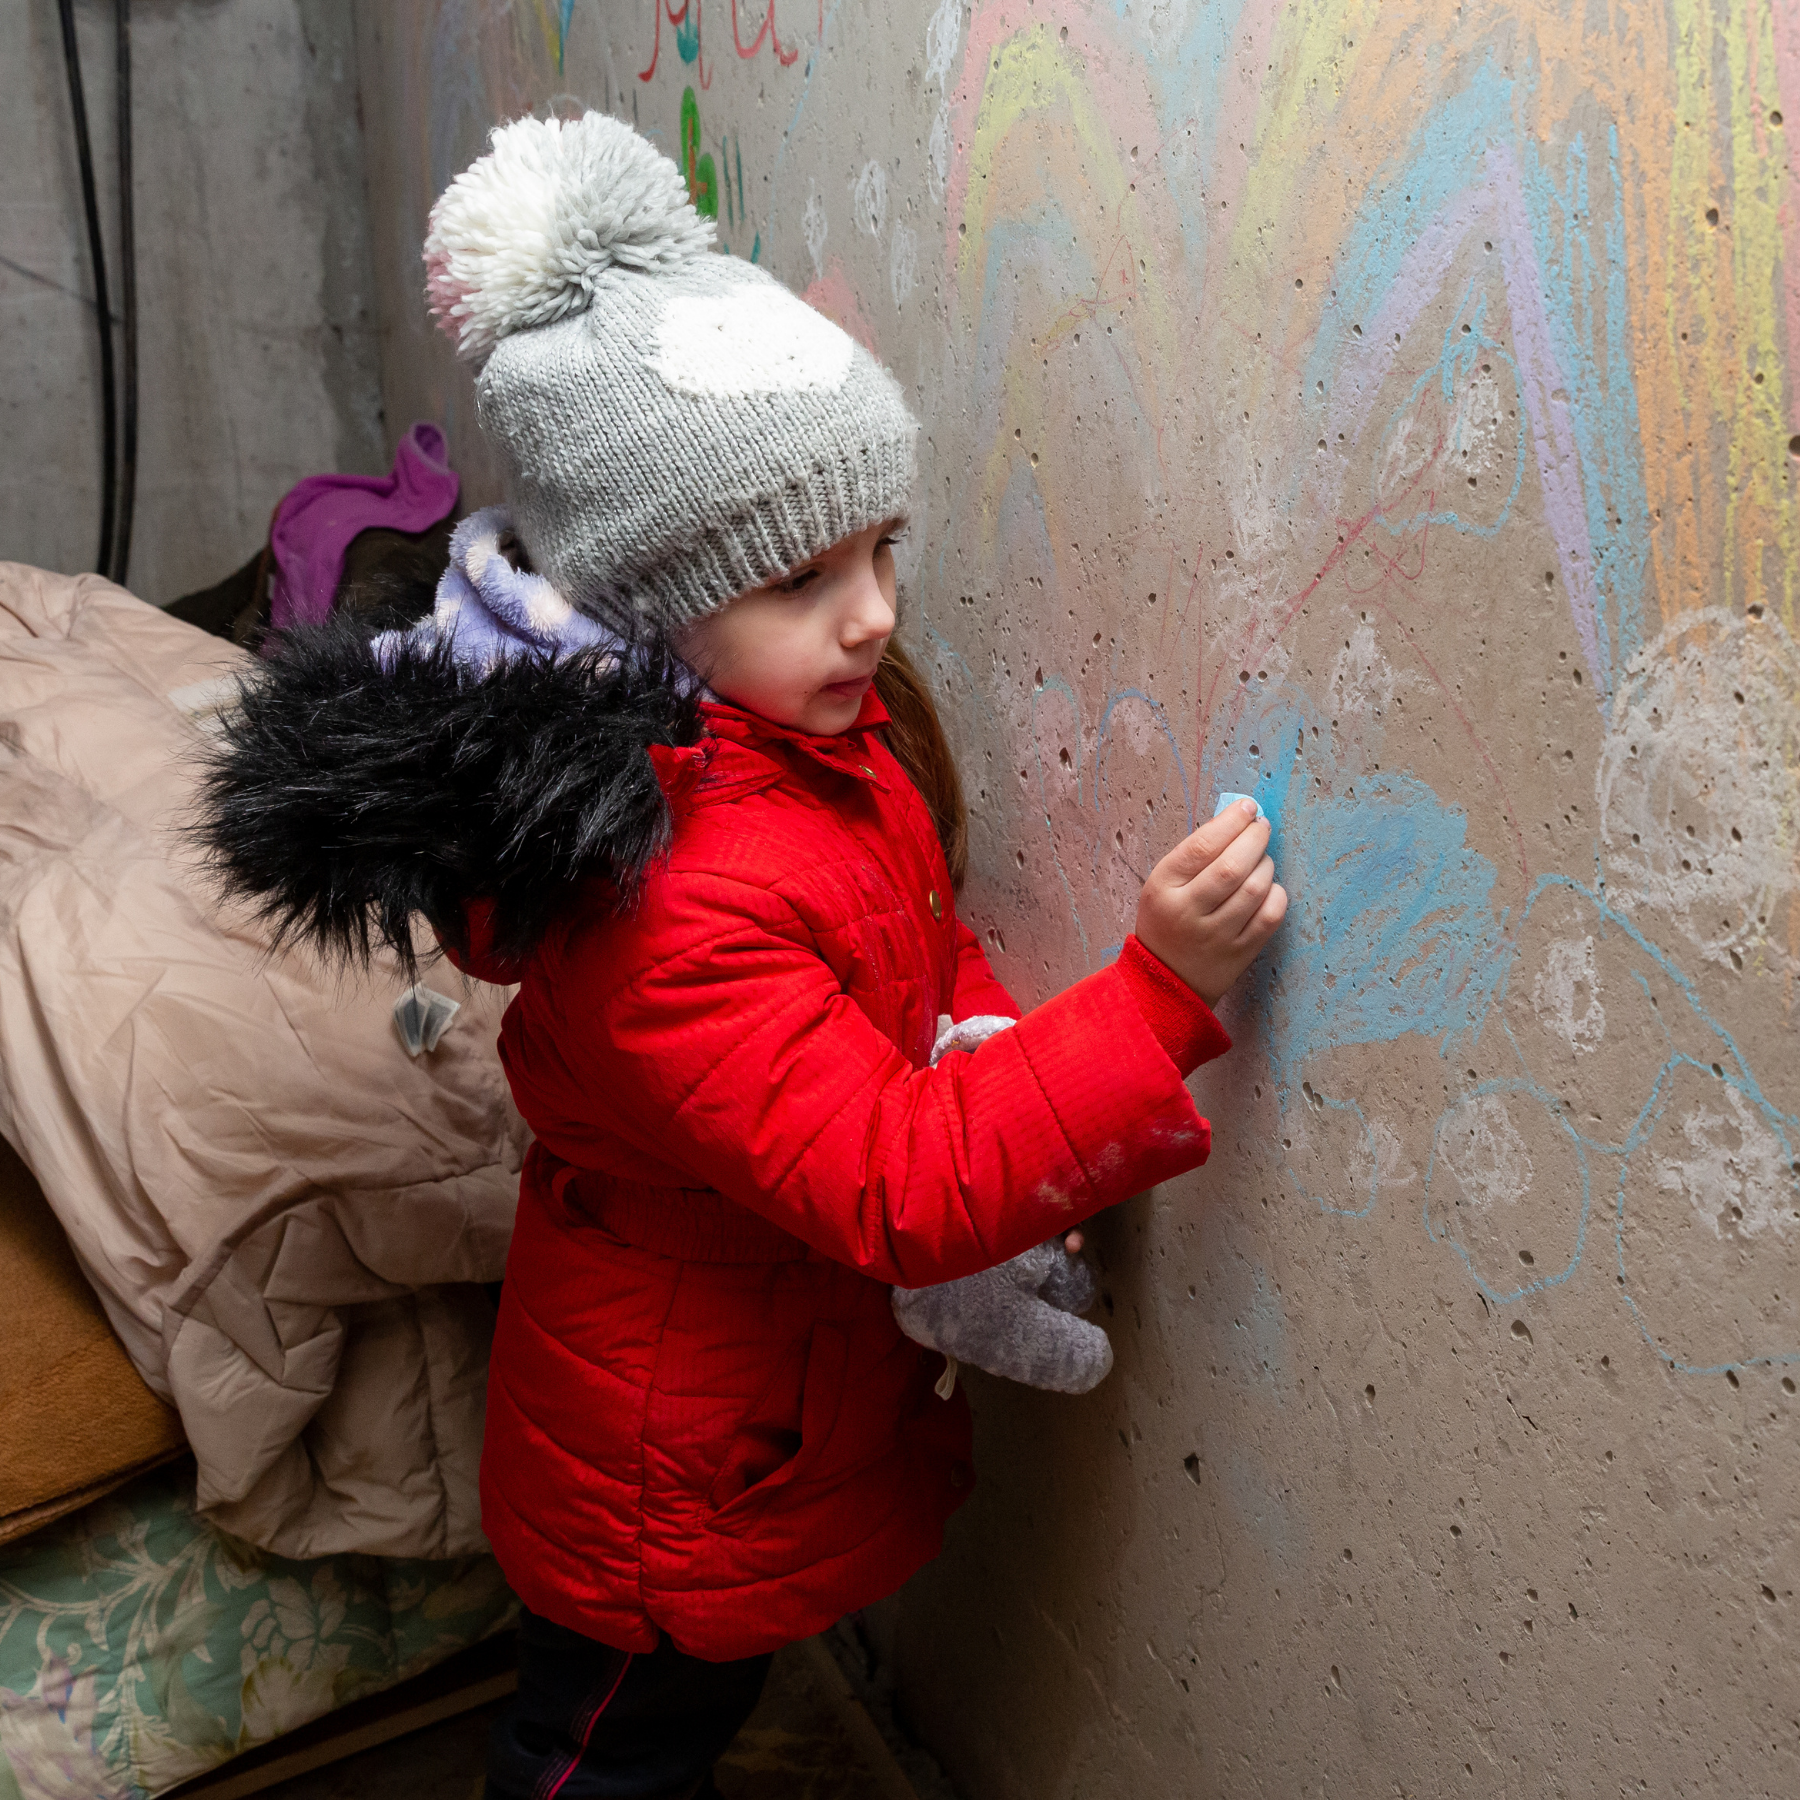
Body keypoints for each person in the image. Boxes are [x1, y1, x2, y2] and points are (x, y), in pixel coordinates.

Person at [199, 113, 1287, 1800]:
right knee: (608, 1757)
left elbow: (899, 969)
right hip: (672, 1472)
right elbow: (895, 1183)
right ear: (649, 604)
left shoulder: (793, 743)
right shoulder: (671, 899)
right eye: (800, 576)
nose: (873, 616)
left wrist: (987, 1035)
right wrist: (1151, 997)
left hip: (744, 1410)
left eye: (881, 550)